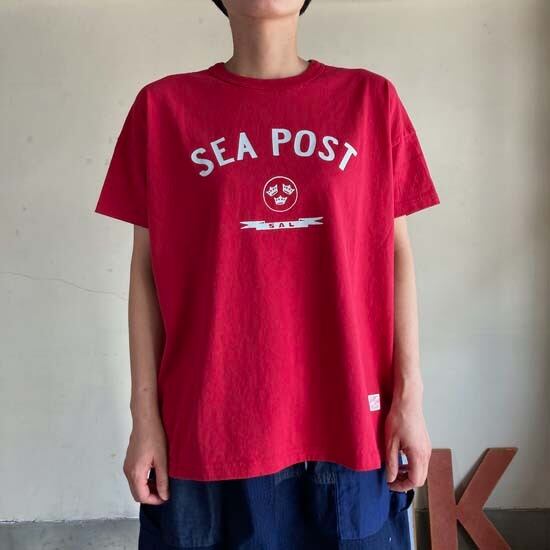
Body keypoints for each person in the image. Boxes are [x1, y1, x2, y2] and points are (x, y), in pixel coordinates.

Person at [94, 0, 441, 547]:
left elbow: (395, 255)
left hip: (350, 425)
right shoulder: (163, 108)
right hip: (210, 427)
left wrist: (410, 399)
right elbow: (145, 271)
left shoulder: (370, 101)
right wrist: (144, 417)